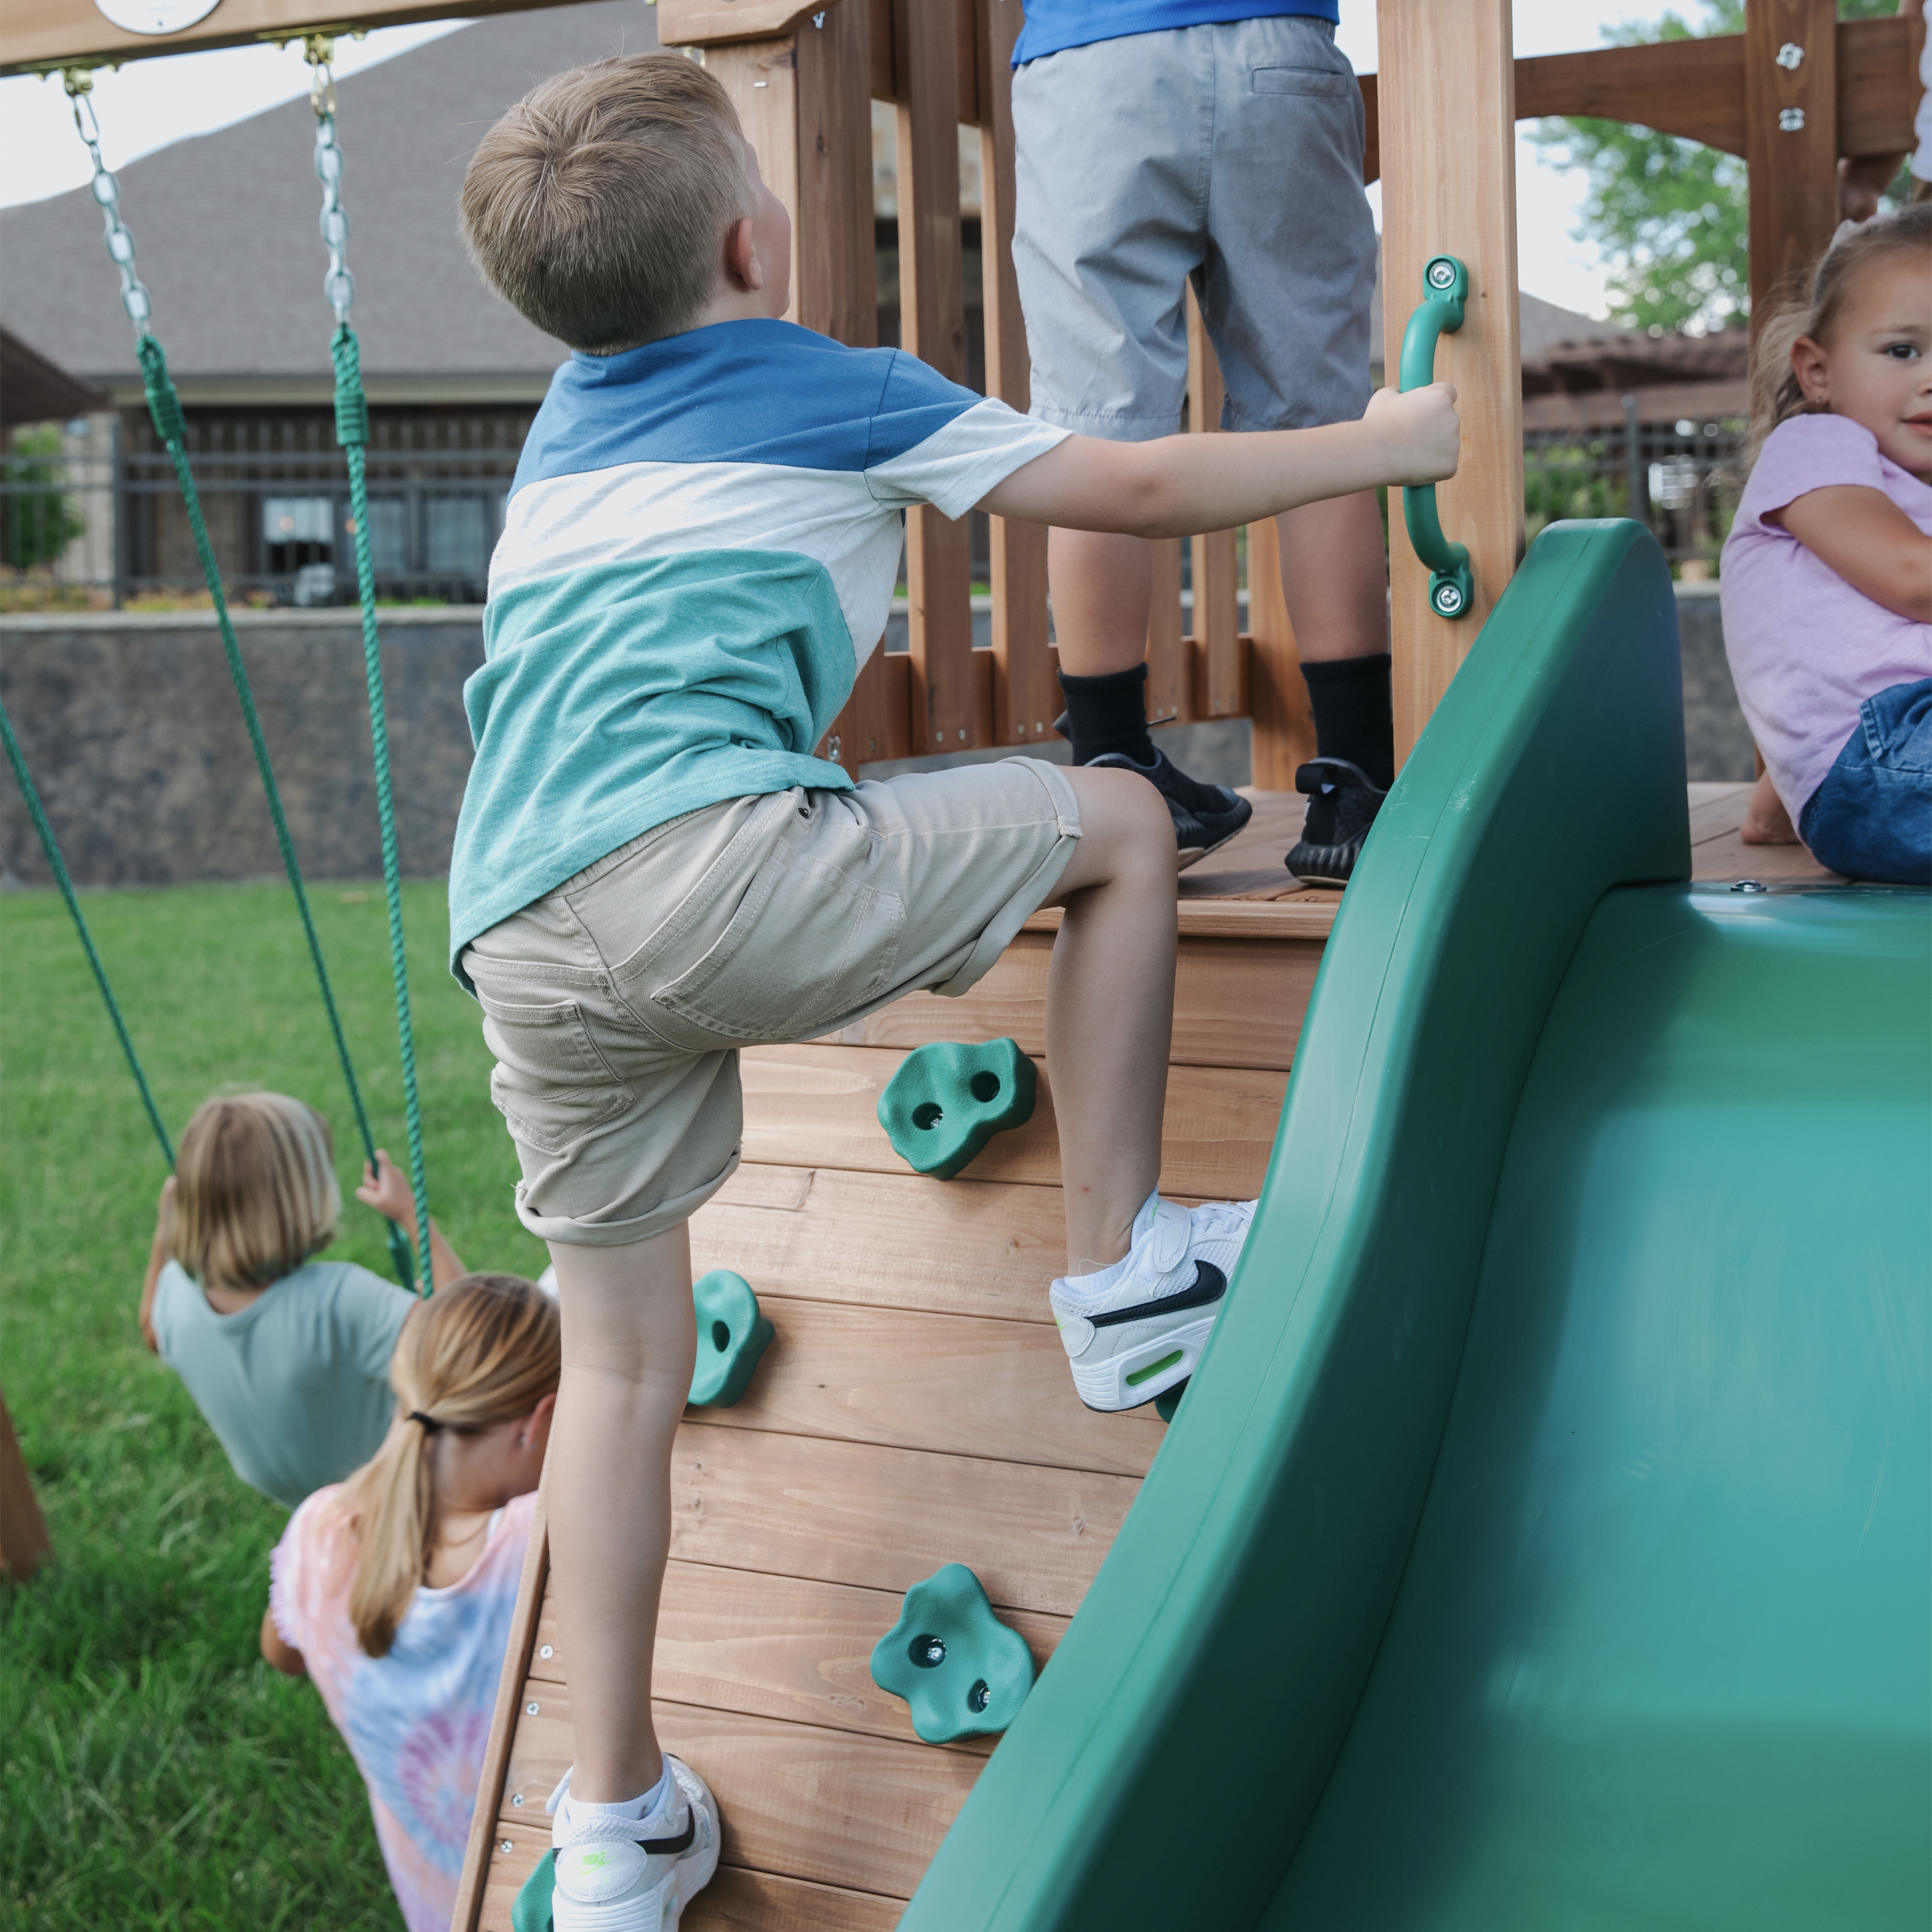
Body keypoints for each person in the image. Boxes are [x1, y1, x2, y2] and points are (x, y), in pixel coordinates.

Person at [454, 53, 1458, 1928]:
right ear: (757, 237)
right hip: (708, 864)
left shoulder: (567, 437)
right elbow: (1142, 477)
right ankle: (1123, 1269)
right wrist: (1384, 444)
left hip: (516, 921)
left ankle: (609, 1831)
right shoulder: (825, 386)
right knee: (1120, 824)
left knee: (619, 1369)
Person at [1007, 2, 1389, 884]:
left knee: (1092, 435)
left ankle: (1112, 762)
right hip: (1276, 46)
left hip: (1091, 62)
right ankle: (1357, 783)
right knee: (1323, 432)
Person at [261, 1272, 569, 1932]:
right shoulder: (535, 1545)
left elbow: (282, 1652)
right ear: (540, 1422)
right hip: (557, 1895)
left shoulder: (321, 1531)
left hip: (439, 1903)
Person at [1720, 204, 1931, 883]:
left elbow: (1821, 656)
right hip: (1889, 753)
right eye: (1902, 350)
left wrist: (1780, 793)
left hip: (1878, 768)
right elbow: (1908, 577)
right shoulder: (1817, 447)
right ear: (1817, 371)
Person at [139, 1090, 467, 1508]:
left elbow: (153, 1329)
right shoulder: (340, 1300)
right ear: (301, 1199)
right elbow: (474, 1342)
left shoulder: (174, 1296)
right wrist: (412, 1217)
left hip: (306, 1502)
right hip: (405, 1492)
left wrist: (164, 1235)